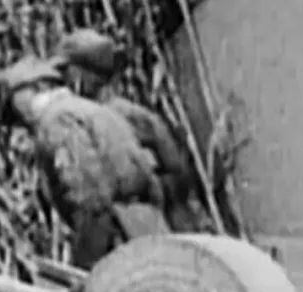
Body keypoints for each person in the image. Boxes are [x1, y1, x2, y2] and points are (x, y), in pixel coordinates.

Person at [0, 56, 170, 271]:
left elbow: (90, 198)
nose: (15, 116)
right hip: (149, 227)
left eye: (14, 101)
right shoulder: (88, 109)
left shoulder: (56, 121)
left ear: (36, 87)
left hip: (121, 239)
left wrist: (86, 264)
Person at [49, 29, 212, 234]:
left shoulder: (123, 116)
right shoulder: (90, 118)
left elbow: (176, 169)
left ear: (82, 74)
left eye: (66, 71)